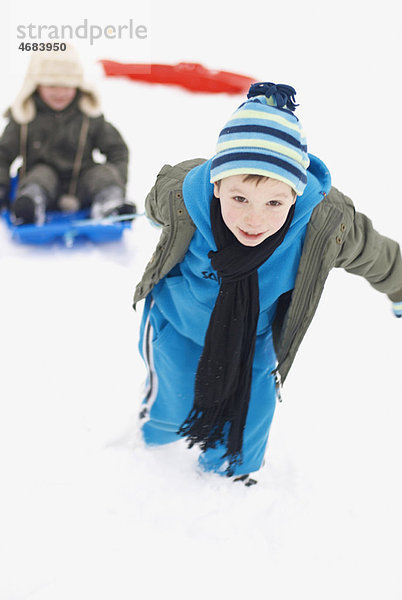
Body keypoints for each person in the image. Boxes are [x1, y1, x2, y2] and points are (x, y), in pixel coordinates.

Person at [133, 82, 402, 486]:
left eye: (274, 203)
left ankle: (230, 481)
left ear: (295, 195)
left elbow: (377, 255)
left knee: (250, 417)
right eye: (239, 199)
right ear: (217, 184)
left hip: (253, 340)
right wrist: (163, 223)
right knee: (170, 406)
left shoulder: (325, 225)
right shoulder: (181, 196)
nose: (253, 220)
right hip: (177, 322)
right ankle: (150, 450)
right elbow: (156, 209)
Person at [0, 44, 136, 224]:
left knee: (102, 174)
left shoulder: (89, 115)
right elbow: (3, 154)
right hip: (42, 183)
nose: (59, 92)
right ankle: (30, 206)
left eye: (67, 86)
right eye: (52, 85)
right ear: (36, 84)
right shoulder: (25, 117)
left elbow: (117, 149)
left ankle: (109, 203)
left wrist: (116, 180)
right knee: (40, 175)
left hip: (83, 184)